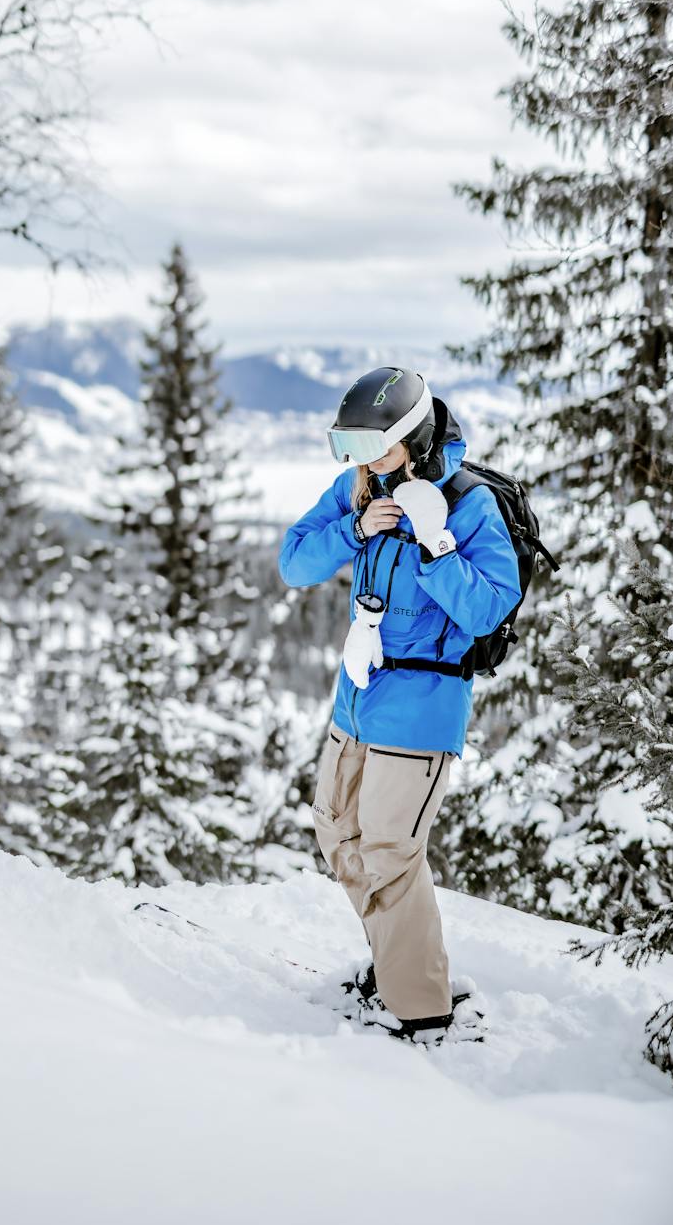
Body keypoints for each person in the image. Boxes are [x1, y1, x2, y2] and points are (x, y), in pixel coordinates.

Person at [277, 366, 521, 1043]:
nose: (360, 461)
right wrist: (355, 529)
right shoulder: (358, 486)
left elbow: (486, 608)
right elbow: (294, 563)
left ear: (412, 438)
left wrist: (434, 542)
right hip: (356, 694)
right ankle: (399, 964)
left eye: (373, 446)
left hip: (421, 706)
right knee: (336, 831)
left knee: (388, 848)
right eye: (350, 448)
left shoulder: (468, 502)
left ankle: (422, 1011)